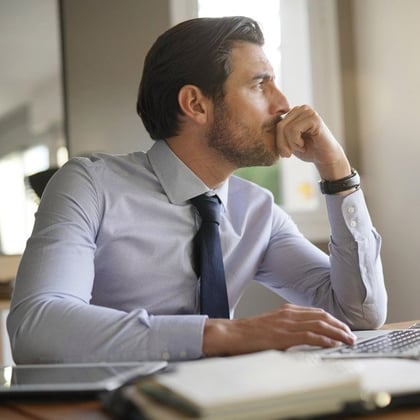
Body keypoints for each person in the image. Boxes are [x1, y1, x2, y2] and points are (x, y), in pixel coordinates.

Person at [7, 16, 387, 363]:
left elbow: (359, 314)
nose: (284, 104)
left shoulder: (257, 212)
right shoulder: (89, 186)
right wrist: (226, 334)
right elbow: (36, 328)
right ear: (195, 104)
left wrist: (337, 171)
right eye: (259, 84)